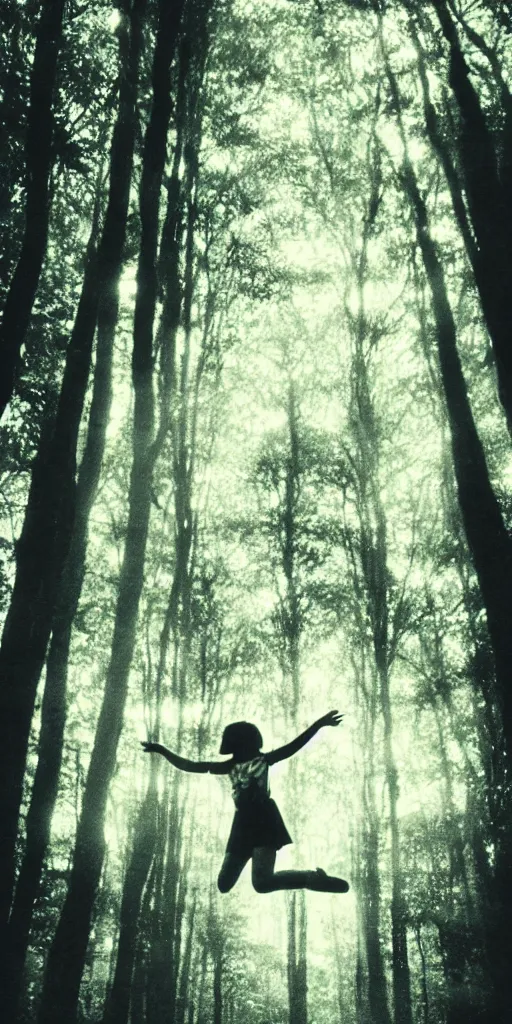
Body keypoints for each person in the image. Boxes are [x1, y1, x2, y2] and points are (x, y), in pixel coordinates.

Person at [141, 709, 349, 895]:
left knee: (262, 883)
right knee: (224, 884)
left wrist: (320, 723)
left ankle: (313, 878)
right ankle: (306, 876)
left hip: (264, 820)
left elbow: (294, 745)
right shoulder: (229, 766)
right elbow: (191, 766)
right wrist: (161, 750)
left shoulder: (263, 760)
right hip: (242, 823)